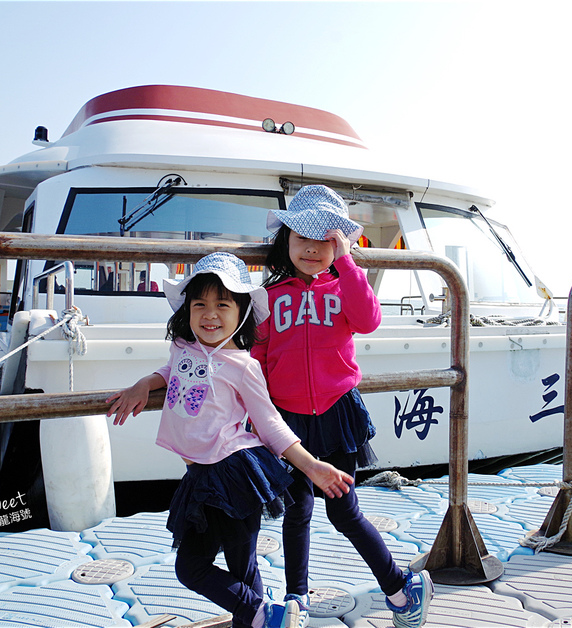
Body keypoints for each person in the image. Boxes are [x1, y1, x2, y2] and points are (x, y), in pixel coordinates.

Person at [106, 251, 355, 628]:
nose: (210, 314)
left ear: (240, 316)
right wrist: (146, 383)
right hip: (199, 477)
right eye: (199, 304)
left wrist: (311, 465)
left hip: (236, 475)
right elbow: (172, 369)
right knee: (193, 568)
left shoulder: (244, 365)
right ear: (186, 311)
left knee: (238, 569)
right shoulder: (182, 348)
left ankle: (263, 616)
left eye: (223, 305)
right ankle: (266, 616)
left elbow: (270, 424)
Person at [253, 185, 432, 628]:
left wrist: (348, 261)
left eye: (325, 241)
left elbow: (369, 320)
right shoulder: (269, 298)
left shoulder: (343, 284)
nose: (312, 250)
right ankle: (296, 599)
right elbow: (256, 358)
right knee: (297, 511)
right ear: (285, 242)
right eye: (302, 239)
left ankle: (399, 590)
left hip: (338, 416)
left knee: (344, 511)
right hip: (288, 422)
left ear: (339, 245)